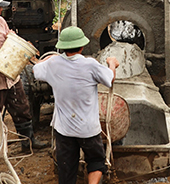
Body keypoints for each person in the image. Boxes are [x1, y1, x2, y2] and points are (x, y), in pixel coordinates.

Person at [33, 27, 119, 184]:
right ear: (82, 47)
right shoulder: (90, 64)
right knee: (96, 162)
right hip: (88, 129)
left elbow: (36, 70)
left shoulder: (53, 64)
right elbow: (109, 79)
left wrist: (50, 57)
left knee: (66, 170)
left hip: (64, 130)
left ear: (63, 47)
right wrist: (112, 63)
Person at [0, 0, 48, 151]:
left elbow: (8, 41)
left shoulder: (1, 22)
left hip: (10, 76)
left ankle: (28, 142)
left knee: (22, 108)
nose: (1, 9)